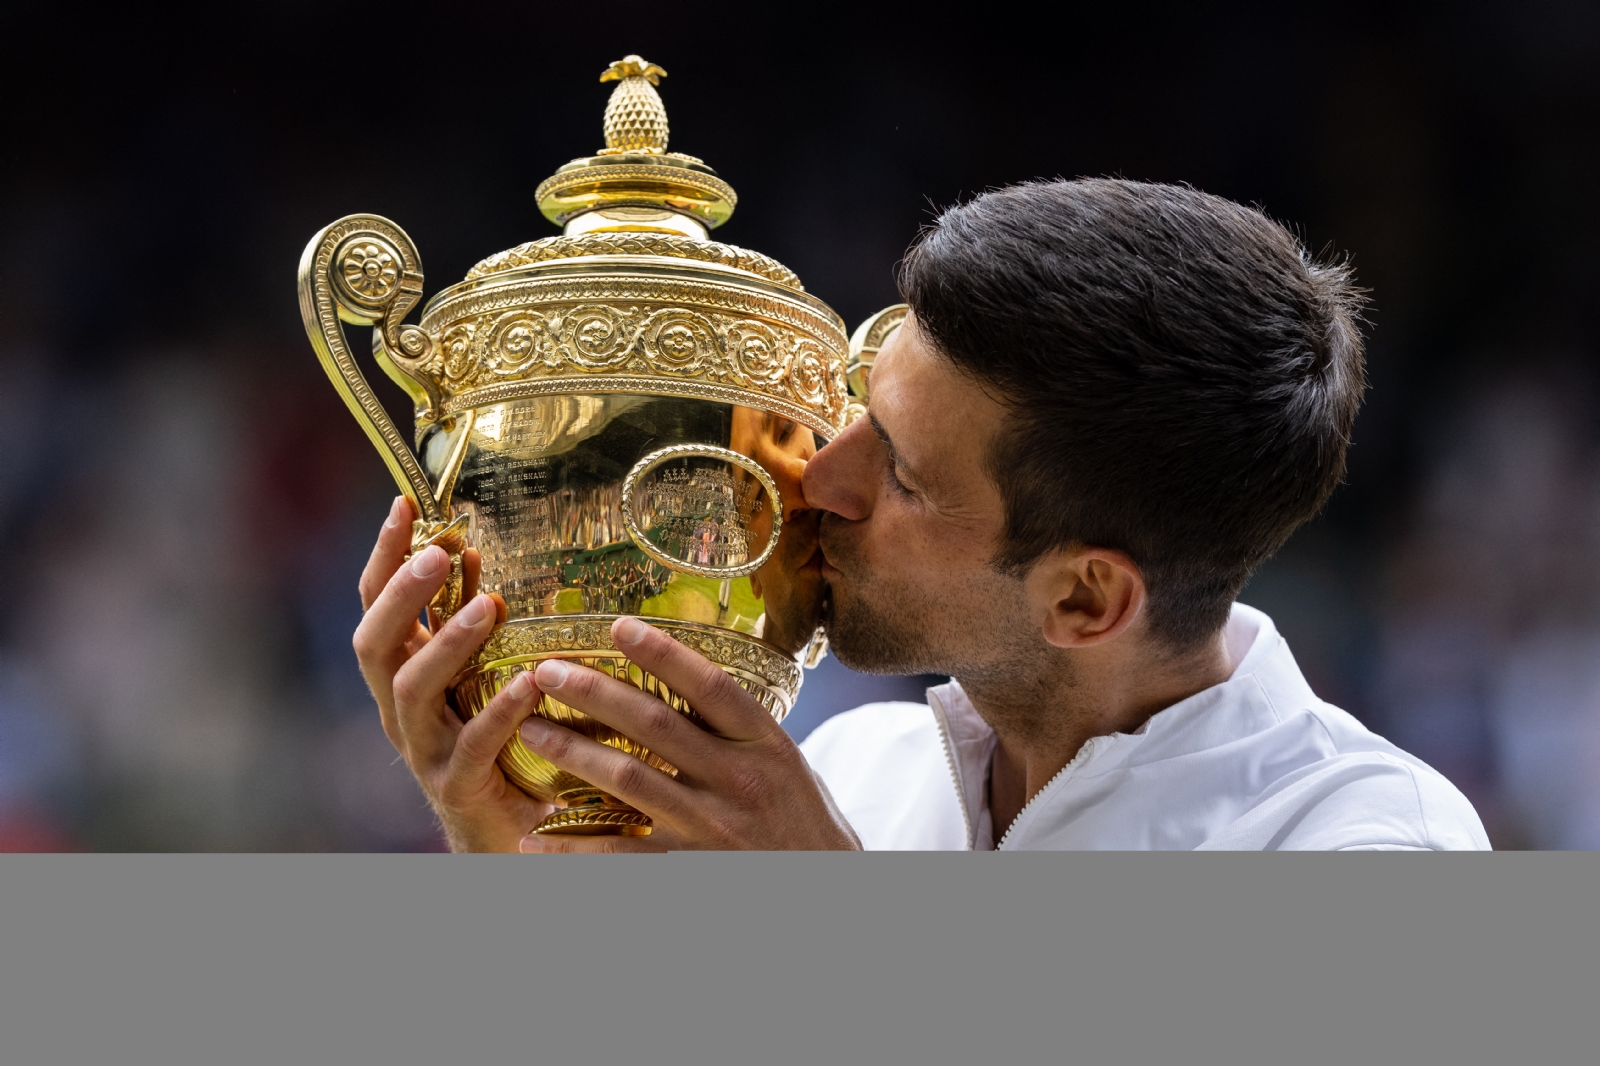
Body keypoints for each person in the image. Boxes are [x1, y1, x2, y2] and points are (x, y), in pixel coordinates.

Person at [353, 178, 1489, 852]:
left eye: (898, 474)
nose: (819, 480)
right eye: (858, 407)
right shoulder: (850, 770)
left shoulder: (1367, 843)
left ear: (1084, 598)